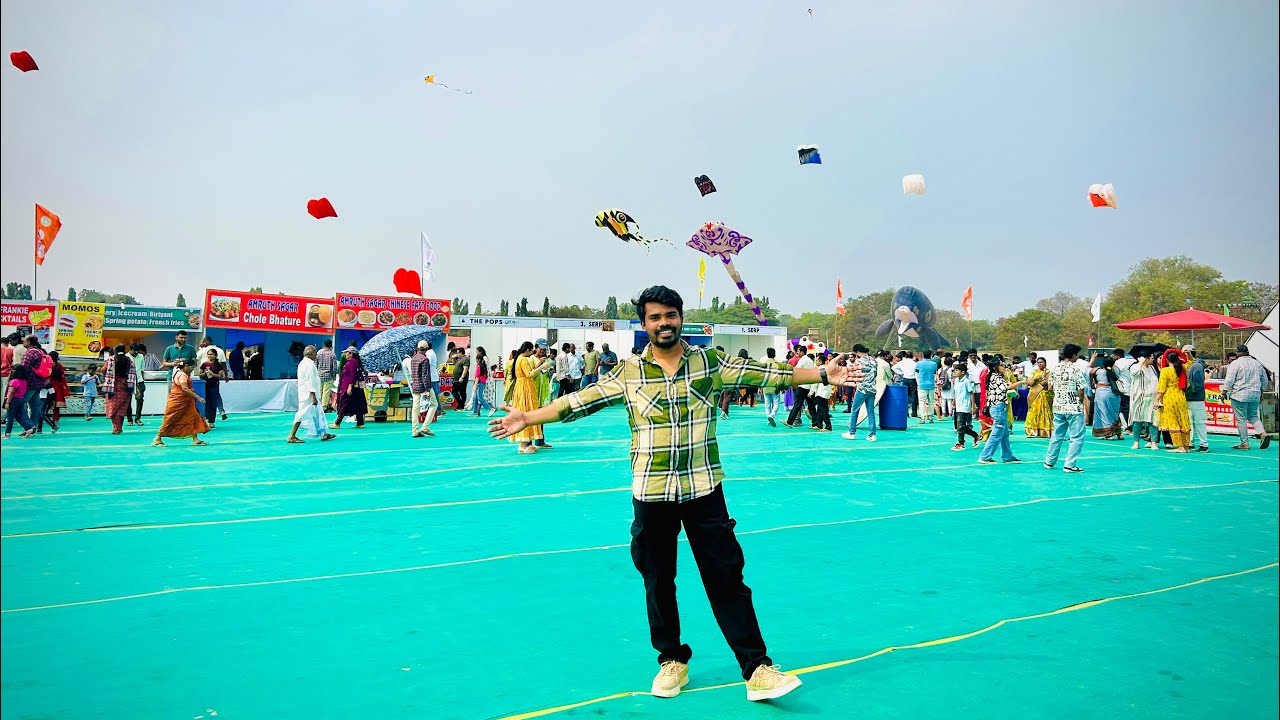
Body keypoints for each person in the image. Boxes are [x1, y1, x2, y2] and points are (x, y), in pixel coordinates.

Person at [488, 286, 858, 702]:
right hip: (652, 491)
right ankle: (671, 660)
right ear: (644, 324)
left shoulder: (710, 363)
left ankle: (757, 668)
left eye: (670, 315)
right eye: (655, 317)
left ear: (681, 318)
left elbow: (767, 374)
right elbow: (578, 401)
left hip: (704, 487)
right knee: (658, 579)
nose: (664, 323)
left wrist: (823, 375)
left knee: (726, 578)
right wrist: (528, 417)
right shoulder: (628, 372)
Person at [1044, 343, 1087, 472]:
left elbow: (1050, 387)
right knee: (1076, 437)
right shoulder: (1075, 369)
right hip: (1073, 407)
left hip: (1058, 406)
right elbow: (1081, 389)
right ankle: (1070, 464)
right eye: (1077, 355)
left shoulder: (1055, 368)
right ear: (1073, 355)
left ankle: (1049, 461)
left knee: (1057, 435)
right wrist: (1080, 402)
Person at [978, 357, 1029, 464]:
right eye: (1001, 365)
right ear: (995, 367)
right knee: (997, 432)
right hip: (998, 407)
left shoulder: (995, 376)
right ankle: (985, 456)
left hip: (998, 407)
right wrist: (1022, 381)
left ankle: (1007, 456)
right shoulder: (995, 377)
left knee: (1004, 433)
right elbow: (1007, 387)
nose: (1004, 367)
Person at [508, 341, 555, 453]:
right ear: (528, 350)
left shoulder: (519, 358)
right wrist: (542, 366)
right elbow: (529, 374)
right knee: (527, 413)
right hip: (526, 388)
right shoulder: (524, 360)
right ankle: (524, 444)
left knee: (526, 413)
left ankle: (525, 443)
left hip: (523, 387)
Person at [1222, 344, 1271, 450]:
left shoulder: (1236, 363)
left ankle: (1244, 443)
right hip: (1255, 394)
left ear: (1238, 353)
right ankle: (1262, 433)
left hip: (1239, 394)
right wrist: (1261, 390)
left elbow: (1229, 379)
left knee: (1241, 419)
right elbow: (1264, 379)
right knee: (1253, 416)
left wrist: (1224, 392)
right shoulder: (1257, 363)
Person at [153, 358, 210, 446]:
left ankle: (195, 439)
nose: (192, 369)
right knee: (170, 419)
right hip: (178, 402)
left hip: (187, 402)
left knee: (193, 418)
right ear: (186, 366)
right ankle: (158, 438)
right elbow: (185, 389)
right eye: (192, 367)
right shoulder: (182, 375)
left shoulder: (180, 373)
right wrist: (198, 398)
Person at [289, 345, 335, 443]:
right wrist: (313, 396)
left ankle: (323, 433)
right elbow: (310, 381)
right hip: (309, 395)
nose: (316, 355)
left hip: (308, 393)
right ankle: (292, 435)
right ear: (310, 353)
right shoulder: (308, 365)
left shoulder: (304, 363)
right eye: (315, 352)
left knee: (318, 414)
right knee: (302, 413)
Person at [1156, 349, 1192, 453]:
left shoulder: (1165, 371)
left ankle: (1179, 446)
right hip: (1181, 396)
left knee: (1172, 421)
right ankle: (1186, 445)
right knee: (1183, 420)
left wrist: (1156, 400)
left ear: (1167, 360)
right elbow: (1190, 361)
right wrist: (1188, 354)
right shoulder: (1182, 368)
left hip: (1169, 398)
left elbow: (1161, 388)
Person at [1127, 351, 1160, 450]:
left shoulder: (1152, 368)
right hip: (1139, 398)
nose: (1153, 360)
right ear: (1146, 358)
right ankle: (1136, 442)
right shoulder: (1135, 367)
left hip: (1152, 398)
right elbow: (1133, 374)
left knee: (1153, 420)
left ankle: (1153, 442)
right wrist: (1140, 363)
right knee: (1137, 420)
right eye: (1151, 358)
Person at [331, 345, 368, 430]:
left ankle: (337, 423)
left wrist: (350, 386)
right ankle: (360, 422)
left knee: (344, 404)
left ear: (351, 353)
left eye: (347, 352)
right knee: (358, 404)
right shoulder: (356, 362)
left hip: (350, 386)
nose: (345, 354)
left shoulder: (351, 362)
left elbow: (352, 375)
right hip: (356, 387)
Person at [406, 341, 436, 438]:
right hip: (423, 387)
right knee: (434, 404)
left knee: (415, 409)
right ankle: (425, 426)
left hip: (415, 386)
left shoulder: (413, 359)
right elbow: (425, 376)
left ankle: (415, 430)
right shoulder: (425, 359)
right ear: (426, 349)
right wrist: (428, 390)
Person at [1182, 345, 1209, 452]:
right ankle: (1191, 442)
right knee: (1191, 422)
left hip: (1196, 398)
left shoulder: (1196, 366)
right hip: (1191, 398)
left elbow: (1197, 384)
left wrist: (1187, 391)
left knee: (1199, 422)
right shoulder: (1191, 365)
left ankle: (1203, 444)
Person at [103, 344, 136, 434]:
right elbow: (133, 372)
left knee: (113, 408)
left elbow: (104, 370)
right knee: (121, 409)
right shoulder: (128, 360)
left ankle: (116, 428)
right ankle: (119, 427)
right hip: (126, 387)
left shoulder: (111, 359)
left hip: (112, 387)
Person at [1090, 357, 1123, 439]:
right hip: (1114, 394)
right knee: (1115, 413)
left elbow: (1088, 372)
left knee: (1104, 413)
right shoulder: (1116, 370)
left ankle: (1108, 433)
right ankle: (1118, 432)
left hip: (1101, 393)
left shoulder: (1098, 371)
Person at [950, 363, 981, 449]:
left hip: (964, 406)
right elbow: (956, 392)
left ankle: (961, 443)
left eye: (957, 370)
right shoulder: (956, 381)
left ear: (963, 372)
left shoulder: (966, 382)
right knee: (959, 426)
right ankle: (976, 435)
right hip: (958, 406)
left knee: (960, 426)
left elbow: (971, 393)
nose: (955, 372)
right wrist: (954, 402)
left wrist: (973, 406)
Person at [3, 365, 36, 439]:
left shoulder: (13, 381)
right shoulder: (24, 381)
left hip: (13, 400)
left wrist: (7, 402)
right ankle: (29, 428)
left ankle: (7, 433)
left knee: (10, 417)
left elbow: (11, 392)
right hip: (21, 399)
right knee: (19, 416)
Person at [1023, 357, 1053, 438]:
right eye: (1038, 362)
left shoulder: (1048, 372)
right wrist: (1035, 379)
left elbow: (1049, 382)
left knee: (1044, 412)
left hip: (1044, 394)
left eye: (1041, 362)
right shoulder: (1034, 372)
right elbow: (1029, 383)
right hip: (1033, 395)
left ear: (1045, 363)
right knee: (1033, 411)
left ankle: (1044, 431)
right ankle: (1032, 431)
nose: (1039, 364)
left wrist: (1042, 382)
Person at [785, 348, 815, 427]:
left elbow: (796, 370)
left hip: (802, 386)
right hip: (809, 385)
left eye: (798, 351)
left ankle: (790, 421)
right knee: (811, 406)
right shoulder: (811, 361)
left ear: (802, 352)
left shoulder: (802, 360)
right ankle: (815, 423)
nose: (797, 353)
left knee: (797, 405)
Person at [199, 347, 226, 428]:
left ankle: (211, 421)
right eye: (208, 354)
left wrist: (213, 374)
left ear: (215, 355)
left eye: (211, 354)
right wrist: (204, 373)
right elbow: (200, 375)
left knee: (213, 403)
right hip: (205, 385)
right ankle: (206, 419)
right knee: (206, 403)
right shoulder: (204, 364)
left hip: (214, 385)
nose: (209, 356)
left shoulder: (218, 365)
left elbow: (220, 376)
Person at [759, 347, 784, 427]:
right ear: (774, 354)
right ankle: (772, 415)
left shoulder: (764, 364)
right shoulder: (778, 364)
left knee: (767, 404)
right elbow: (780, 376)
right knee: (776, 403)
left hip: (766, 386)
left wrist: (759, 387)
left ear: (767, 354)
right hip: (775, 386)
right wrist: (781, 386)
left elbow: (761, 376)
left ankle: (769, 419)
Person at [472, 346, 495, 416]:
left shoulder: (480, 366)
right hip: (483, 381)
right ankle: (476, 411)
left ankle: (490, 408)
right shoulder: (482, 365)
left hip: (481, 382)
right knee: (476, 397)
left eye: (477, 352)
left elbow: (477, 377)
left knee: (480, 397)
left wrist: (475, 384)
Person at [128, 344, 148, 426]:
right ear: (130, 350)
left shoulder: (141, 356)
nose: (136, 353)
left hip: (139, 381)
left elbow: (142, 369)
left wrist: (143, 380)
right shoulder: (126, 357)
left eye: (137, 352)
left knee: (140, 400)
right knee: (128, 401)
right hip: (129, 381)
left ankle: (138, 418)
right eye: (134, 351)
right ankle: (129, 419)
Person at [915, 350, 937, 424]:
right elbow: (934, 373)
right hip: (931, 385)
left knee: (922, 401)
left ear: (923, 355)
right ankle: (930, 417)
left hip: (922, 385)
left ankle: (922, 417)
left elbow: (917, 372)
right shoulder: (934, 364)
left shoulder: (919, 363)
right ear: (930, 355)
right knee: (931, 401)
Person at [316, 340, 338, 412]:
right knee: (326, 391)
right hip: (329, 375)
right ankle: (324, 407)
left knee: (320, 390)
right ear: (331, 346)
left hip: (320, 375)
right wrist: (334, 375)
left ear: (324, 345)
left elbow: (316, 363)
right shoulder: (332, 354)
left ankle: (318, 405)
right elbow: (334, 367)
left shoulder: (319, 353)